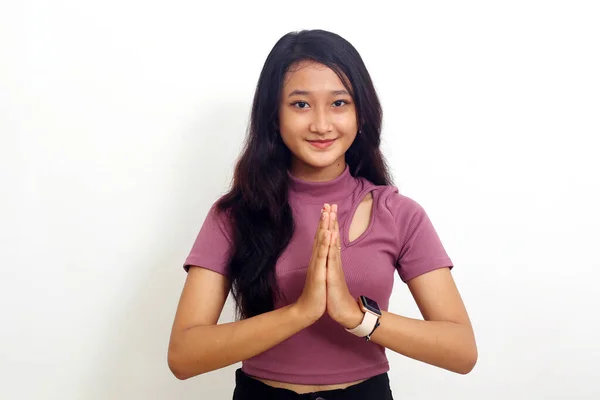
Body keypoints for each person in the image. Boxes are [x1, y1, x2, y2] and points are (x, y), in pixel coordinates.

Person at [168, 29, 477, 399]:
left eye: (339, 103)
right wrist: (301, 312)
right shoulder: (235, 214)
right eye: (300, 104)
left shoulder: (399, 214)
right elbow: (184, 356)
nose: (321, 124)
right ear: (273, 116)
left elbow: (461, 351)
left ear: (361, 112)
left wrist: (356, 317)